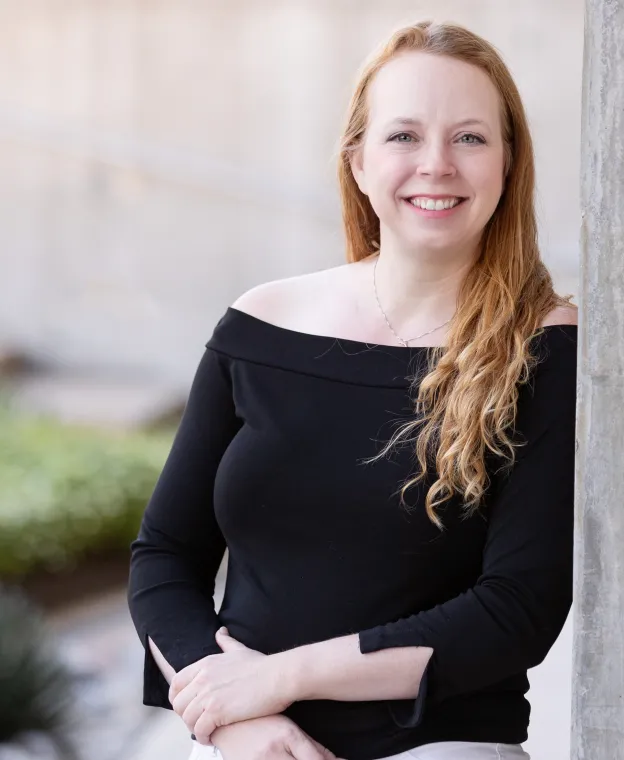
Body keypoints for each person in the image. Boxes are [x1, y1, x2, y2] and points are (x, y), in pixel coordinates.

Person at [128, 18, 578, 760]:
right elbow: (164, 555)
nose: (437, 164)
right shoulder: (258, 324)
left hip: (436, 742)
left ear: (507, 164)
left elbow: (517, 610)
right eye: (403, 136)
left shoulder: (545, 344)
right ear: (358, 162)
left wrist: (278, 679)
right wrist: (231, 714)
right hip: (241, 734)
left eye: (469, 138)